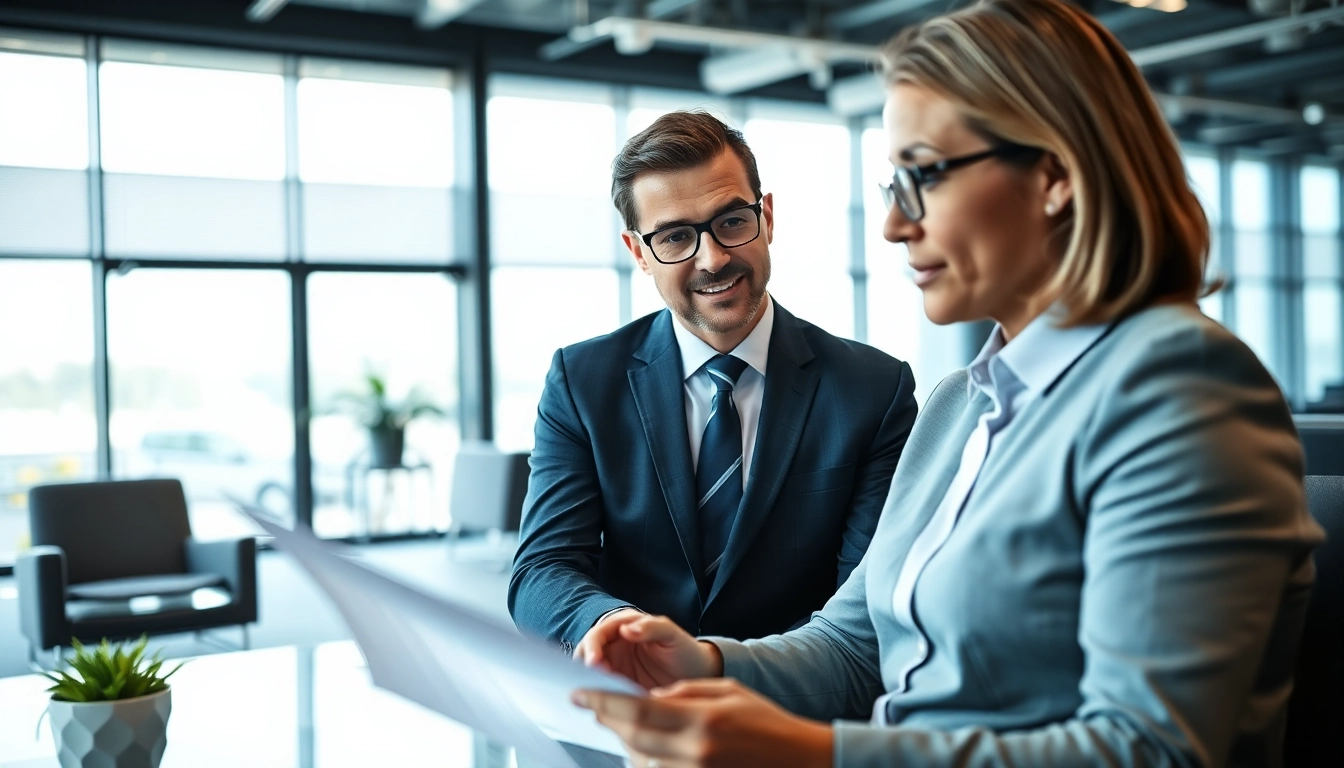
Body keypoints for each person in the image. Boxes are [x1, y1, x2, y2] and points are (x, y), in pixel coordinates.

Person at [570, 1, 1326, 766]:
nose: (896, 224)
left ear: (1055, 175)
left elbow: (1150, 752)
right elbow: (858, 642)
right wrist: (709, 663)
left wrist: (809, 753)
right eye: (894, 183)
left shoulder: (1182, 391)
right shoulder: (960, 404)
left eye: (924, 175)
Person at [509, 112, 919, 655]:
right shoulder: (582, 383)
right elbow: (543, 567)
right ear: (639, 253)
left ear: (767, 217)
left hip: (796, 710)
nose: (713, 258)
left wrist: (724, 671)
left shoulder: (873, 390)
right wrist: (613, 628)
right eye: (676, 237)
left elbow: (865, 603)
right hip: (633, 703)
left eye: (731, 221)